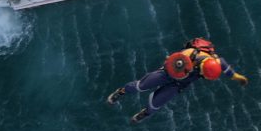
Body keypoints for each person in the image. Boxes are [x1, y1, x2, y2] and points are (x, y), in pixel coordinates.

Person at [106, 38, 248, 123]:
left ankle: (145, 113)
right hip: (167, 73)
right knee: (140, 86)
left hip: (179, 84)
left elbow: (227, 70)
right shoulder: (189, 54)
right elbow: (171, 60)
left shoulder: (217, 62)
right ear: (204, 68)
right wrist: (181, 67)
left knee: (156, 104)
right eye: (204, 75)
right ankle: (121, 92)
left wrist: (238, 77)